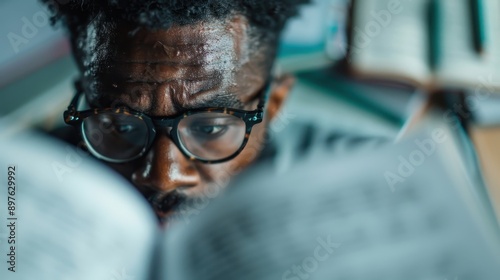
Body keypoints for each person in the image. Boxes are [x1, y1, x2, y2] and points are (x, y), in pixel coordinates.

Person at [42, 0, 385, 223]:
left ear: (274, 105)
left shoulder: (364, 188)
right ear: (84, 97)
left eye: (208, 128)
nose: (164, 177)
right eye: (120, 125)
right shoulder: (27, 181)